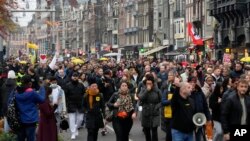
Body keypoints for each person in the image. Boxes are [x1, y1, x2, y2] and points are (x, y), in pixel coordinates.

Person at [15, 75, 46, 141]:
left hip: (19, 119)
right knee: (31, 138)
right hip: (30, 120)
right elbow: (42, 100)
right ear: (30, 83)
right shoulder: (32, 93)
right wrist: (42, 87)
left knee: (20, 139)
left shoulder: (16, 92)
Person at [138, 74, 162, 141]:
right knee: (147, 131)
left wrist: (157, 107)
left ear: (153, 83)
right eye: (147, 83)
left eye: (150, 83)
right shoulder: (144, 90)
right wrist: (146, 91)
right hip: (146, 112)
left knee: (154, 131)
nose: (149, 85)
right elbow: (141, 98)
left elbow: (161, 101)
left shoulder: (157, 90)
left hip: (155, 112)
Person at [83, 77, 105, 141]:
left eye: (96, 86)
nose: (95, 87)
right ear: (90, 87)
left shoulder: (100, 95)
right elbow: (83, 105)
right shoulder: (86, 95)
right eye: (93, 86)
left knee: (95, 132)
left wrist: (104, 114)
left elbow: (102, 106)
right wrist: (86, 111)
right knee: (90, 132)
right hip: (89, 116)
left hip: (97, 116)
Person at [64, 72, 85, 140]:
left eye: (76, 76)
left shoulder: (81, 85)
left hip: (80, 104)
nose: (75, 77)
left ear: (78, 77)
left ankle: (75, 128)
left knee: (80, 119)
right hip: (71, 104)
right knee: (72, 119)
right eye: (73, 76)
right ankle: (73, 133)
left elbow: (84, 94)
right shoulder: (68, 85)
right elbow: (65, 96)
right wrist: (66, 105)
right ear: (71, 77)